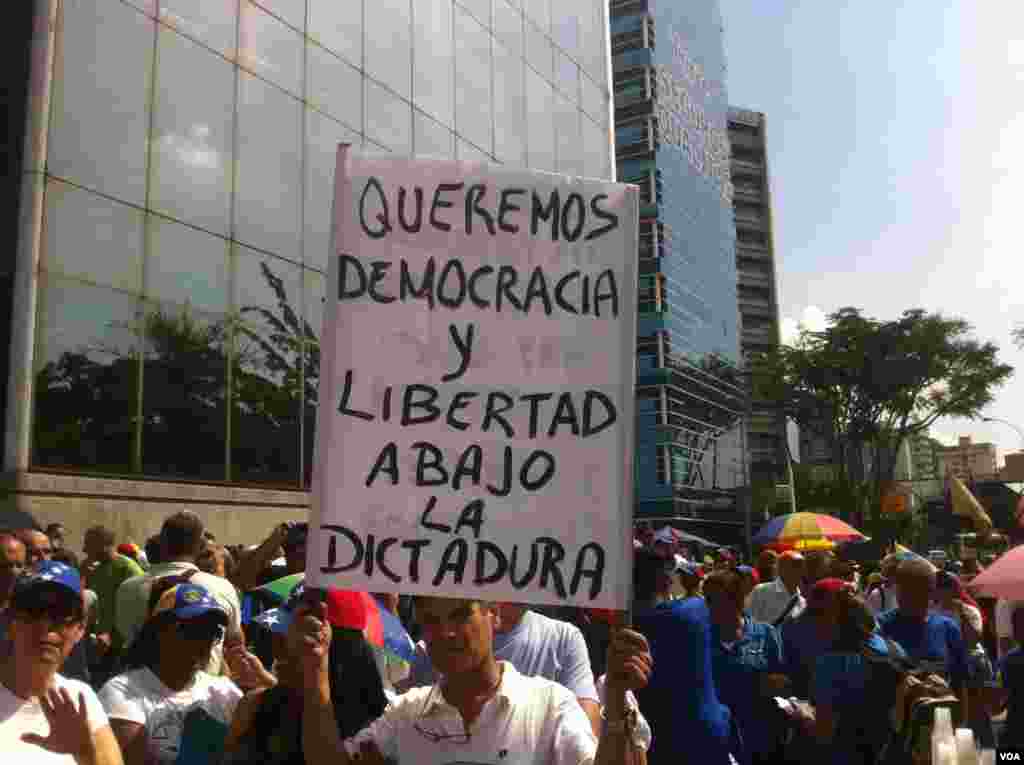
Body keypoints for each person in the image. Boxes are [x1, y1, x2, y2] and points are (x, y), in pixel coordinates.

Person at [300, 595, 653, 765]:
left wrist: (619, 703)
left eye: (460, 615)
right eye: (431, 621)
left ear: (494, 615)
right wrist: (316, 671)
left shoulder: (550, 706)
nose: (447, 633)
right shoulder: (405, 715)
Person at [223, 584, 388, 764]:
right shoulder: (253, 707)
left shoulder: (378, 732)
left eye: (300, 639)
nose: (279, 651)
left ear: (340, 650)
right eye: (279, 635)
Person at [99, 581, 241, 764]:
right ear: (158, 631)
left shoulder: (224, 692)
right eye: (191, 629)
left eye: (211, 631)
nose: (202, 640)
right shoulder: (123, 692)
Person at [0, 560, 122, 765]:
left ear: (80, 630)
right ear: (10, 622)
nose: (46, 626)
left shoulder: (80, 697)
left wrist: (85, 754)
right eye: (33, 611)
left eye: (61, 614)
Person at [632, 549, 736, 764]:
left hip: (652, 741)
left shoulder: (624, 630)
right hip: (701, 738)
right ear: (666, 581)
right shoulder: (693, 611)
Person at [115, 512, 242, 675]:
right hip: (204, 693)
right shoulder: (221, 587)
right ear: (201, 546)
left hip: (139, 689)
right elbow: (234, 643)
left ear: (162, 543)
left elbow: (124, 633)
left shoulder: (128, 588)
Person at [806, 579, 906, 765]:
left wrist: (804, 719)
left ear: (834, 621)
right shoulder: (894, 649)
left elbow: (824, 727)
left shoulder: (830, 661)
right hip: (891, 750)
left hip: (847, 753)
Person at [702, 569, 788, 765]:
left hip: (759, 739)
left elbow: (783, 682)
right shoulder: (698, 638)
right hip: (715, 739)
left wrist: (775, 684)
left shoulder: (766, 634)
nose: (716, 606)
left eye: (726, 599)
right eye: (710, 600)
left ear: (741, 600)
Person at [877, 558, 969, 718]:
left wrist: (960, 724)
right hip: (894, 728)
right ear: (897, 590)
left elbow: (960, 682)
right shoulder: (881, 627)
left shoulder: (948, 628)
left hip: (940, 723)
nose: (913, 597)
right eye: (907, 590)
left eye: (921, 591)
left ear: (932, 591)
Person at [82, 526, 144, 679]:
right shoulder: (95, 570)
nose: (84, 550)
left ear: (103, 544)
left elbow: (136, 609)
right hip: (99, 646)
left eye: (88, 545)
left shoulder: (129, 569)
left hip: (120, 650)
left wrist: (112, 635)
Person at [749, 550, 805, 626]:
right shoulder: (761, 591)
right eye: (796, 565)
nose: (801, 570)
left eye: (802, 566)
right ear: (781, 569)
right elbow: (749, 624)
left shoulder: (802, 601)